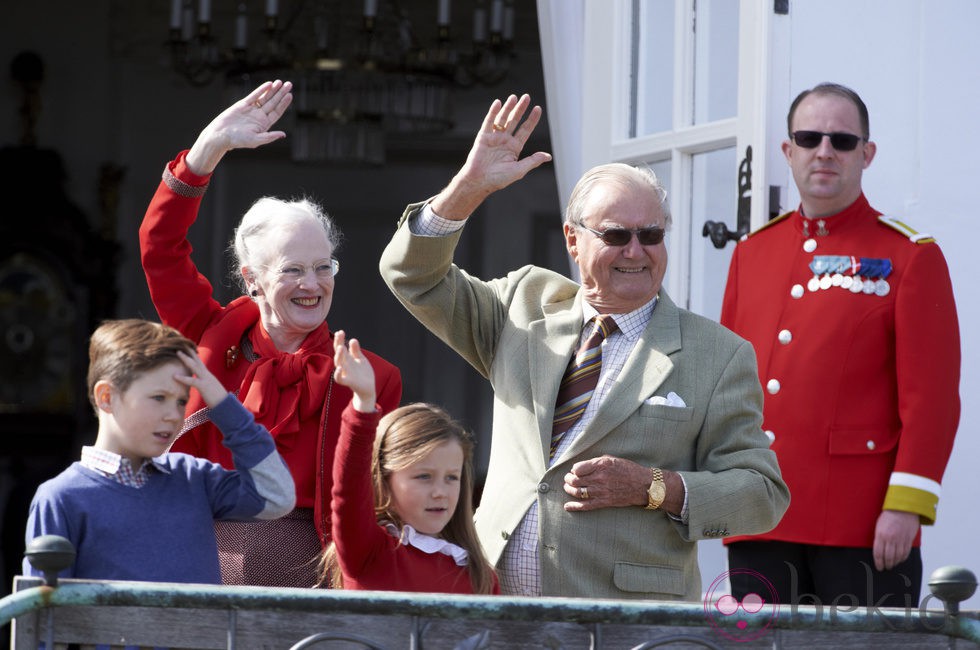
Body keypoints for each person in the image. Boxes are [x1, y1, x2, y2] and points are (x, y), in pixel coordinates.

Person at [379, 94, 789, 600]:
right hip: (493, 604)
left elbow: (761, 493)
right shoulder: (523, 307)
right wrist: (467, 190)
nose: (636, 251)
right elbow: (411, 275)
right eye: (617, 235)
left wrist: (653, 487)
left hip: (621, 618)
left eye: (652, 234)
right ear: (574, 241)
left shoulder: (717, 354)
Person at [138, 80, 403, 588]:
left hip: (317, 580)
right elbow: (160, 245)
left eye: (323, 267)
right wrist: (205, 153)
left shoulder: (374, 377)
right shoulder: (205, 334)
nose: (312, 284)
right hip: (197, 563)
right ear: (251, 277)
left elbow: (374, 501)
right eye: (292, 270)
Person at [720, 82, 961, 607]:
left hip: (864, 528)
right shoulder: (752, 255)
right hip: (760, 521)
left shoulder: (909, 257)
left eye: (842, 141)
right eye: (809, 138)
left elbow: (933, 402)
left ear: (866, 154)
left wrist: (906, 507)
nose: (824, 151)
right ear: (789, 151)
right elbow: (728, 391)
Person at [23, 319, 295, 583]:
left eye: (181, 401)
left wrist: (222, 404)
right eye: (158, 398)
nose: (173, 415)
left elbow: (277, 497)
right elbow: (42, 616)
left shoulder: (195, 478)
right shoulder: (61, 497)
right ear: (106, 397)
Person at [319, 331, 498, 594]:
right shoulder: (369, 551)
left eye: (452, 477)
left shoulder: (480, 575)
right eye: (423, 476)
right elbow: (347, 491)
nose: (440, 491)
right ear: (385, 478)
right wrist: (363, 405)